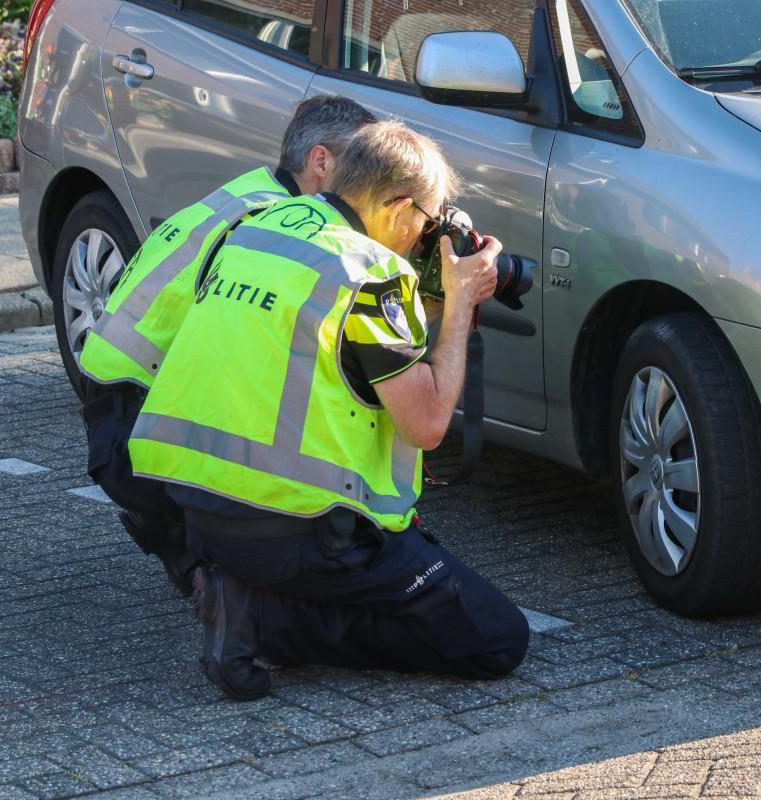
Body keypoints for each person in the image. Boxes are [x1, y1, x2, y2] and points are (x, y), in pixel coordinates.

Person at [127, 120, 530, 700]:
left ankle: (245, 591)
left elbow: (329, 355)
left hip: (196, 510)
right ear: (397, 206)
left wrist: (434, 297)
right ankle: (259, 618)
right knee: (496, 638)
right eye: (429, 219)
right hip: (300, 530)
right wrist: (463, 300)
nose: (425, 235)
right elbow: (427, 423)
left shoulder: (255, 229)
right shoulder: (372, 275)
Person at [77, 96, 376, 596]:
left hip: (114, 411)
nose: (372, 180)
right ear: (321, 162)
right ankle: (212, 556)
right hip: (141, 428)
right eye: (363, 164)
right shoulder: (284, 225)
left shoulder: (249, 193)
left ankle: (183, 540)